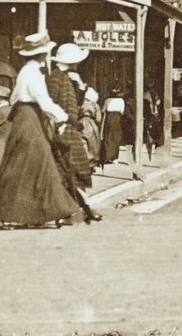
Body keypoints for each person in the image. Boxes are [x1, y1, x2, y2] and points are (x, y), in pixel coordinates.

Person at [0, 33, 80, 229]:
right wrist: (64, 117)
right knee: (37, 164)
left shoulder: (26, 72)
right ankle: (53, 211)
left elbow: (14, 99)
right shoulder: (32, 74)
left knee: (27, 166)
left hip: (25, 117)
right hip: (30, 118)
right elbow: (43, 101)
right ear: (42, 54)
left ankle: (35, 214)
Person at [48, 43, 101, 223]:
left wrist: (80, 86)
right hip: (64, 129)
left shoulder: (67, 78)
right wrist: (59, 125)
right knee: (68, 171)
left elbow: (76, 103)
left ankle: (80, 209)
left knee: (72, 171)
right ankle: (76, 210)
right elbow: (52, 105)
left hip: (70, 129)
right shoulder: (56, 78)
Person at [98, 88, 125, 167]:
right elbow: (122, 112)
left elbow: (103, 110)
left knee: (108, 137)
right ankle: (115, 157)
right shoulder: (121, 100)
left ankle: (107, 156)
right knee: (116, 137)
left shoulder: (107, 100)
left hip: (109, 118)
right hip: (117, 119)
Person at [78, 87, 101, 162]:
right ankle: (92, 160)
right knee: (94, 143)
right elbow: (98, 119)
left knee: (82, 142)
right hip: (92, 124)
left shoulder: (80, 104)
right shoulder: (95, 105)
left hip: (81, 123)